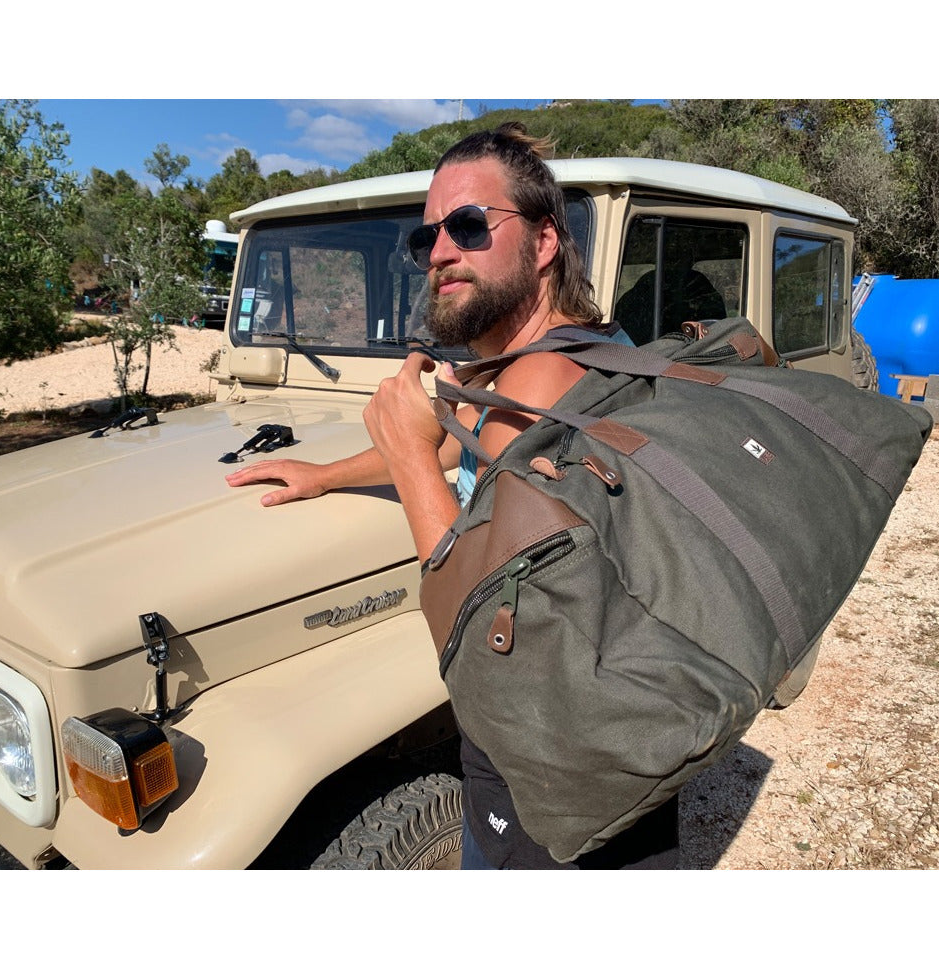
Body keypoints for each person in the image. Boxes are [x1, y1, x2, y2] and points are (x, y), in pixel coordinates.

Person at [225, 122, 680, 869]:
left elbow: (474, 613)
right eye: (427, 235)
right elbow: (454, 445)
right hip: (607, 725)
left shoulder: (541, 384)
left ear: (543, 241)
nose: (439, 251)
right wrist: (327, 473)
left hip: (546, 755)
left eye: (468, 225)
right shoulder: (576, 349)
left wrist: (407, 456)